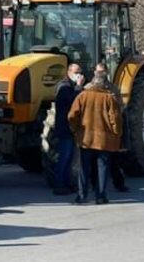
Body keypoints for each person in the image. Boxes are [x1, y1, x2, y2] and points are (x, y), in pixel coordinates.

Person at [68, 71, 123, 205]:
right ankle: (101, 196)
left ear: (92, 82)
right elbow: (115, 119)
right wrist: (117, 134)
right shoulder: (109, 98)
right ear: (105, 84)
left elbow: (72, 116)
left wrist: (75, 130)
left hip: (86, 138)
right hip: (104, 139)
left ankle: (81, 195)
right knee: (102, 167)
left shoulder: (82, 96)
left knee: (84, 168)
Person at [95, 62, 130, 193]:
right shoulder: (89, 88)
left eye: (103, 71)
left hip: (110, 129)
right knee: (97, 161)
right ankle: (96, 186)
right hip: (96, 129)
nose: (101, 74)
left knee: (114, 159)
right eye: (99, 71)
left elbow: (119, 108)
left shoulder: (113, 89)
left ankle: (119, 183)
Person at [52, 64, 84, 195]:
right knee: (64, 157)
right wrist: (78, 86)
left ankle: (67, 183)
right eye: (76, 72)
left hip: (71, 128)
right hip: (65, 127)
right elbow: (74, 101)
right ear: (69, 72)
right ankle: (59, 184)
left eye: (80, 72)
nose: (79, 74)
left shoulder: (70, 86)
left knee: (70, 157)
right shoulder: (64, 87)